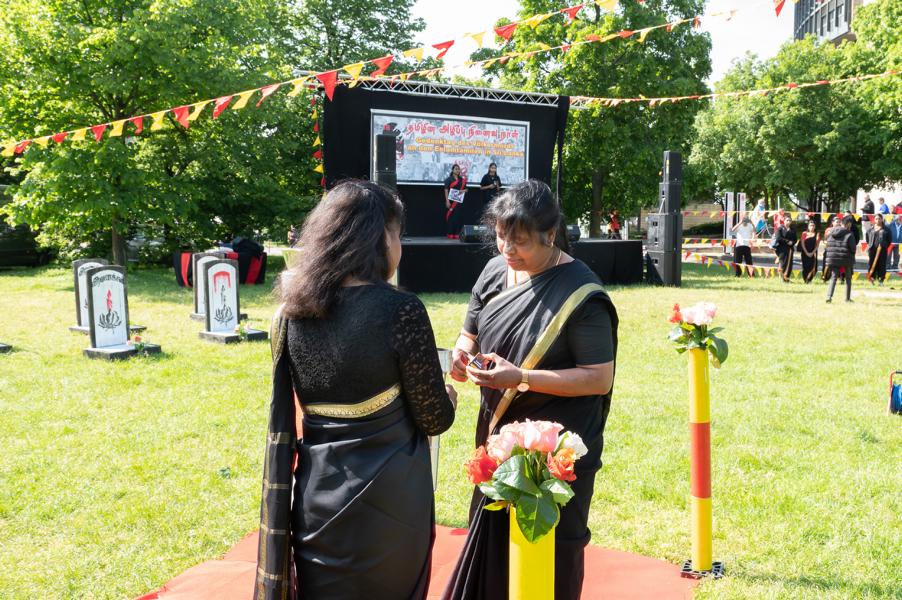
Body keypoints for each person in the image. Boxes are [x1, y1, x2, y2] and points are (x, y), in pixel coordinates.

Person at [255, 180, 457, 600]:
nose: (399, 246)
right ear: (379, 238)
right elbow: (434, 417)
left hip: (316, 502)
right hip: (390, 509)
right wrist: (448, 398)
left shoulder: (291, 314)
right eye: (398, 235)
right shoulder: (401, 310)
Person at [442, 180, 618, 600]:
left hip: (557, 447)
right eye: (501, 236)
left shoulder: (580, 293)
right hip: (499, 436)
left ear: (550, 235)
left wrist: (520, 377)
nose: (507, 249)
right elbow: (470, 333)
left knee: (553, 549)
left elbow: (598, 377)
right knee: (492, 537)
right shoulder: (493, 271)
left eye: (520, 241)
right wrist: (462, 356)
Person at [824, 215, 857, 303]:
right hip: (846, 258)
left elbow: (828, 244)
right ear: (848, 224)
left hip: (833, 258)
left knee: (833, 277)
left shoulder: (831, 231)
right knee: (848, 278)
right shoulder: (849, 233)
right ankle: (847, 298)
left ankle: (829, 297)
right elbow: (853, 248)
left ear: (842, 223)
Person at [866, 214, 892, 285]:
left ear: (882, 219)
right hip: (872, 250)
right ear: (874, 220)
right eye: (876, 219)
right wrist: (871, 245)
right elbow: (867, 239)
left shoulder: (886, 229)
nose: (878, 220)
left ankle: (881, 280)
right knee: (871, 264)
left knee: (882, 264)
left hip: (882, 250)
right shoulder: (870, 229)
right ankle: (872, 278)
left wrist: (884, 246)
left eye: (879, 218)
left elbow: (889, 240)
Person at [444, 164, 468, 239]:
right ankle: (450, 233)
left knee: (458, 217)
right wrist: (447, 201)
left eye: (458, 169)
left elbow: (466, 190)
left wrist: (463, 191)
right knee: (451, 218)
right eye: (456, 169)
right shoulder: (449, 179)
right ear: (452, 170)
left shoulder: (462, 180)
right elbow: (446, 190)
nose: (457, 170)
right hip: (451, 202)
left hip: (459, 202)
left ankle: (457, 233)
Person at [774, 216, 797, 282]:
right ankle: (783, 278)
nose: (788, 222)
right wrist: (787, 241)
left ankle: (787, 278)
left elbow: (795, 239)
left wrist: (792, 242)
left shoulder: (792, 229)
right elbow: (778, 238)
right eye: (787, 220)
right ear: (784, 221)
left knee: (789, 264)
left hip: (790, 249)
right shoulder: (780, 228)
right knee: (783, 264)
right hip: (781, 249)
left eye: (790, 220)